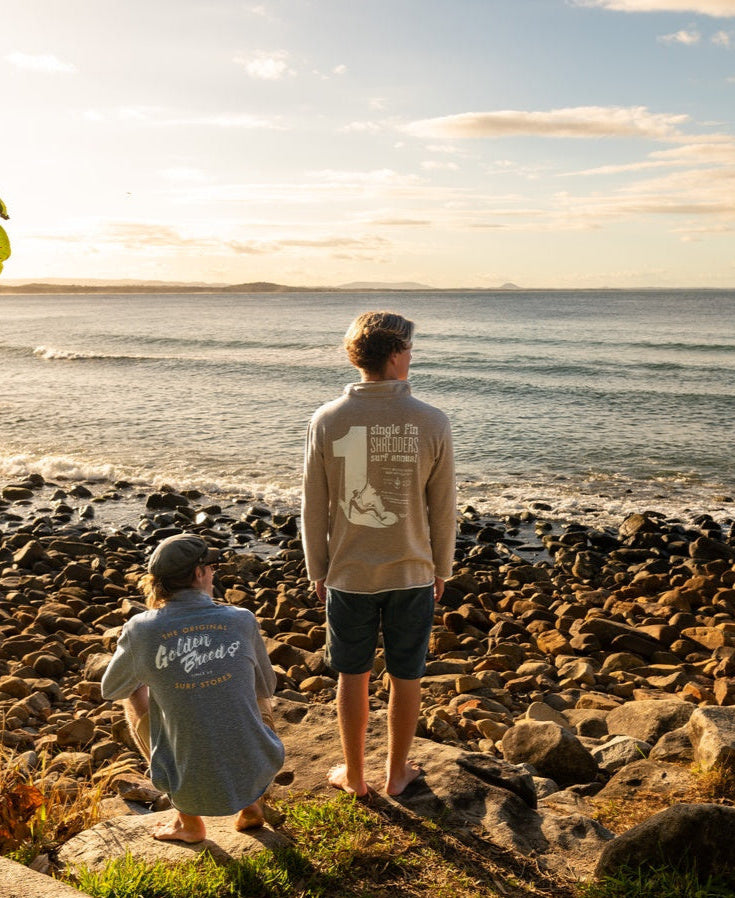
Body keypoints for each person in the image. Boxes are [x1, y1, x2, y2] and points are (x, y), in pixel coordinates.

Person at [302, 310, 456, 797]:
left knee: (353, 673)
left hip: (348, 573)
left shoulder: (327, 419)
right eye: (409, 349)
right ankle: (395, 774)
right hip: (412, 570)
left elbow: (314, 503)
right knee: (406, 673)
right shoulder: (431, 420)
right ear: (394, 355)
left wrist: (317, 568)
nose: (412, 357)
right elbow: (443, 508)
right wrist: (443, 567)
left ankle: (354, 775)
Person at [101, 533, 284, 843]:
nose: (213, 573)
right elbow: (268, 685)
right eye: (211, 567)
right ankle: (251, 801)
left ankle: (189, 820)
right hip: (257, 764)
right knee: (258, 688)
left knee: (134, 690)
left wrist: (167, 669)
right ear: (199, 573)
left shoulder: (142, 628)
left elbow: (112, 688)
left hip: (188, 780)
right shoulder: (242, 619)